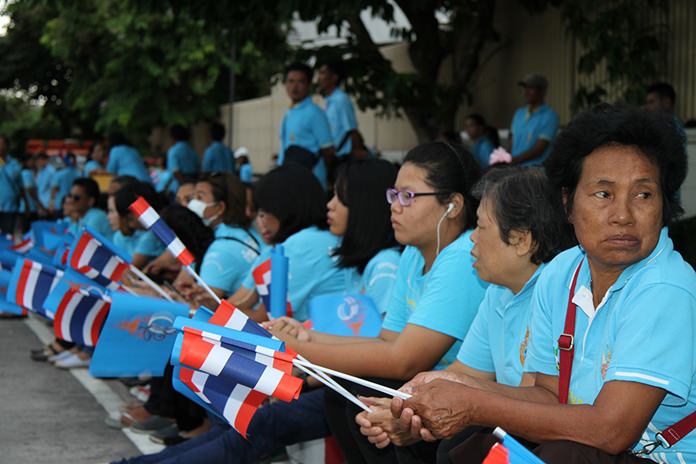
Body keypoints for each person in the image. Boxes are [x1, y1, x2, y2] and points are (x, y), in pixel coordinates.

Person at [387, 104, 696, 463]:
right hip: (589, 447)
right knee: (468, 448)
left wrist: (475, 405)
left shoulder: (666, 288)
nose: (623, 215)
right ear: (567, 203)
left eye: (643, 195)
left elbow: (612, 430)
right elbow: (547, 395)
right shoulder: (562, 273)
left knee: (558, 453)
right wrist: (453, 389)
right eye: (603, 194)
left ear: (665, 204)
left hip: (659, 458)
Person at [111, 158, 402, 464]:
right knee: (242, 420)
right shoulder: (361, 259)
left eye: (340, 197)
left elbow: (383, 352)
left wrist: (298, 364)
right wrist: (302, 348)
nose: (330, 205)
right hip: (327, 376)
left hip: (350, 387)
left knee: (252, 419)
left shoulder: (379, 265)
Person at [266, 142, 487, 463]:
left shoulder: (461, 258)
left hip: (454, 399)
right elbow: (387, 340)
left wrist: (295, 350)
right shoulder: (413, 253)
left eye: (408, 197)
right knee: (345, 393)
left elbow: (403, 360)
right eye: (393, 195)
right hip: (424, 386)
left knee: (363, 396)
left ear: (452, 205)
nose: (395, 207)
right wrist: (304, 336)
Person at [354, 167, 573, 462]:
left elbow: (535, 402)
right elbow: (464, 374)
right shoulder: (498, 291)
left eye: (481, 228)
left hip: (550, 431)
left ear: (521, 240)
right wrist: (405, 408)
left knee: (462, 441)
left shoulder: (556, 290)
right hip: (514, 419)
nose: (471, 240)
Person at [174, 173, 263, 299]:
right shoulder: (248, 233)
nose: (192, 204)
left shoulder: (222, 249)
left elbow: (202, 306)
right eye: (193, 197)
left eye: (200, 197)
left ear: (220, 207)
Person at [278, 62, 336, 189]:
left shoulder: (315, 113)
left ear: (309, 85)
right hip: (289, 180)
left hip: (312, 183)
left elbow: (328, 152)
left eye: (300, 82)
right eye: (291, 81)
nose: (295, 87)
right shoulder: (289, 113)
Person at [317, 60, 367, 160]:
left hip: (343, 157)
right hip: (332, 157)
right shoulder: (329, 100)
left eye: (323, 73)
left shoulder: (341, 99)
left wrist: (357, 152)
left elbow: (352, 129)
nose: (319, 77)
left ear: (334, 77)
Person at [509, 73, 559, 166]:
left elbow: (539, 149)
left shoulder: (550, 116)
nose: (525, 92)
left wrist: (513, 160)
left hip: (535, 172)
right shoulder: (519, 113)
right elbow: (512, 140)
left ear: (542, 91)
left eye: (530, 88)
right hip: (514, 170)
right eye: (524, 88)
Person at [113, 181, 166, 268]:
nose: (131, 224)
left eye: (130, 218)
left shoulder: (154, 234)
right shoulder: (120, 236)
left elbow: (130, 270)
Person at [166, 124, 199, 192]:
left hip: (179, 185)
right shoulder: (192, 150)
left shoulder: (173, 151)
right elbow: (198, 168)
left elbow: (176, 172)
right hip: (193, 183)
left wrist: (184, 185)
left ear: (173, 137)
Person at [0, 135, 22, 235]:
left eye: (1, 144)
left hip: (10, 207)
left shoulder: (14, 164)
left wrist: (3, 164)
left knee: (7, 236)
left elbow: (18, 182)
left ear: (6, 147)